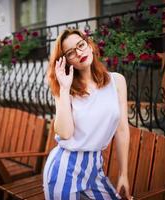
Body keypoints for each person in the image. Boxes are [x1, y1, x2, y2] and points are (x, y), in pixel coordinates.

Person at [44, 28, 132, 200]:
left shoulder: (117, 81)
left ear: (89, 45)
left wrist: (124, 174)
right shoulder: (64, 89)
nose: (79, 52)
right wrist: (64, 88)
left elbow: (122, 130)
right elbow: (65, 132)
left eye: (81, 45)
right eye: (70, 53)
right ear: (66, 61)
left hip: (95, 168)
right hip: (65, 169)